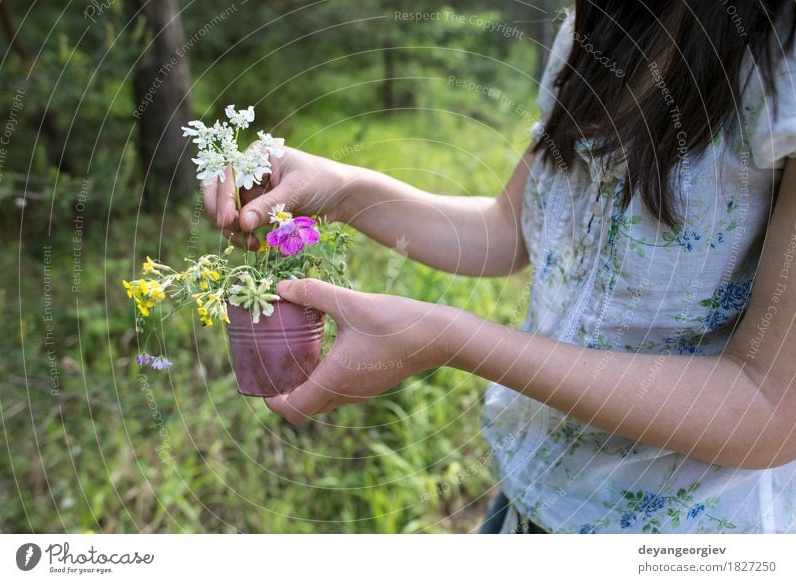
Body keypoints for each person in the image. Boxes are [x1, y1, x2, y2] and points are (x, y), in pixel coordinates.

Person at [203, 1, 796, 533]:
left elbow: (770, 408)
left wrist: (448, 338)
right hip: (526, 503)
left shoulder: (783, 65)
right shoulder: (599, 27)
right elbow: (512, 228)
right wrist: (345, 190)